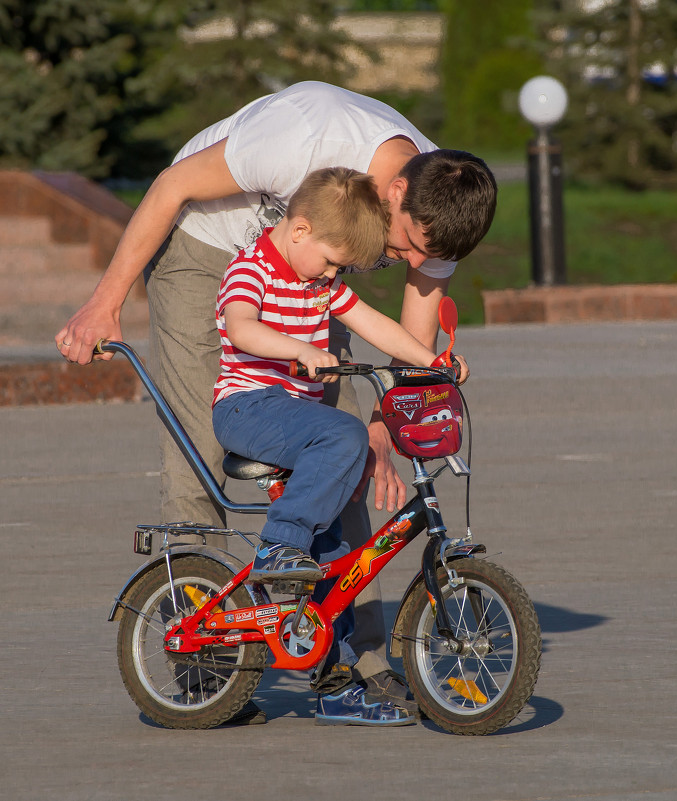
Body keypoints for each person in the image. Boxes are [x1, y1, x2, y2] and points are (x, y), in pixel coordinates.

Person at [55, 81, 497, 723]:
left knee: (345, 456)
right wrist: (106, 302)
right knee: (203, 448)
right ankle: (204, 668)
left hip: (315, 275)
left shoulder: (442, 198)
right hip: (208, 251)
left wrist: (381, 426)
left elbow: (411, 331)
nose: (405, 261)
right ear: (394, 191)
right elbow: (172, 185)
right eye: (402, 246)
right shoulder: (306, 135)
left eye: (419, 257)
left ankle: (352, 666)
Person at [213, 167, 441, 725]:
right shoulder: (251, 271)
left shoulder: (319, 282)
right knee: (344, 431)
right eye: (333, 261)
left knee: (339, 563)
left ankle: (335, 685)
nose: (334, 276)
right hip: (246, 409)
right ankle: (279, 546)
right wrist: (298, 348)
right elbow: (241, 328)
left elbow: (375, 325)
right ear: (299, 232)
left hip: (295, 421)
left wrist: (430, 362)